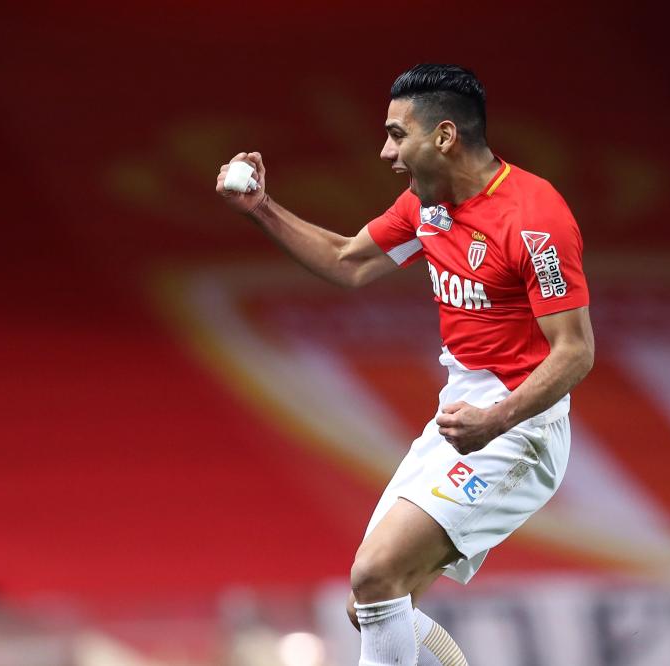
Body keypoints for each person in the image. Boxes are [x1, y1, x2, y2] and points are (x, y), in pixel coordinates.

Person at [216, 63, 594, 666]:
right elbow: (347, 260)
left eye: (397, 134)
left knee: (376, 574)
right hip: (460, 416)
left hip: (518, 428)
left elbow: (575, 350)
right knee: (367, 602)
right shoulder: (429, 206)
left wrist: (495, 422)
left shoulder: (534, 218)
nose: (386, 150)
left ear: (443, 136)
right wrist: (262, 208)